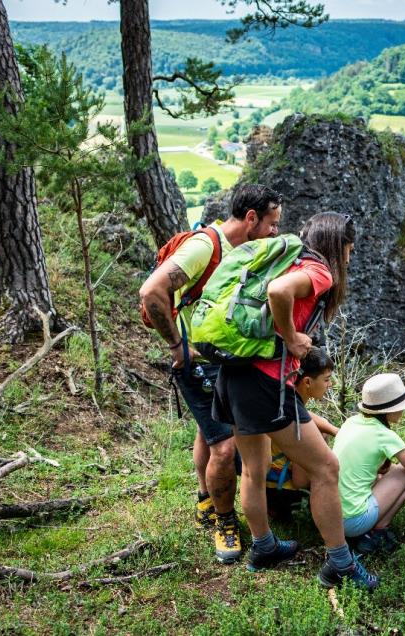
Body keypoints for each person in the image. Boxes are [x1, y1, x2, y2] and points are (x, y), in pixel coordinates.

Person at [213, 212, 380, 589]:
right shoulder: (319, 271)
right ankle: (340, 564)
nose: (350, 258)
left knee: (254, 468)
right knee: (326, 468)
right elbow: (278, 292)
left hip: (234, 372)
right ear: (337, 245)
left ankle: (264, 547)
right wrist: (291, 338)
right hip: (265, 383)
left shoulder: (288, 258)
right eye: (349, 250)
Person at [138, 184, 282, 564]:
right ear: (250, 218)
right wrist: (177, 346)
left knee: (208, 430)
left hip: (226, 360)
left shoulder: (246, 249)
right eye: (272, 223)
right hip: (199, 362)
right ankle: (225, 521)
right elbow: (151, 292)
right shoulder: (206, 246)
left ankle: (205, 498)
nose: (275, 231)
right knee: (225, 446)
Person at [334, 373, 405, 554]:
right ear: (389, 410)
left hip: (331, 516)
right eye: (400, 406)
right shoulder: (385, 436)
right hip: (353, 522)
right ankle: (377, 532)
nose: (403, 410)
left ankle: (369, 529)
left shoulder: (351, 422)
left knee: (393, 471)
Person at [265, 346, 339, 519]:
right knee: (319, 441)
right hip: (284, 497)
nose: (330, 385)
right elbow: (300, 481)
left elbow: (307, 415)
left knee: (321, 432)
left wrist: (336, 430)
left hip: (269, 490)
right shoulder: (296, 420)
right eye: (326, 380)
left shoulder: (285, 400)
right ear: (307, 382)